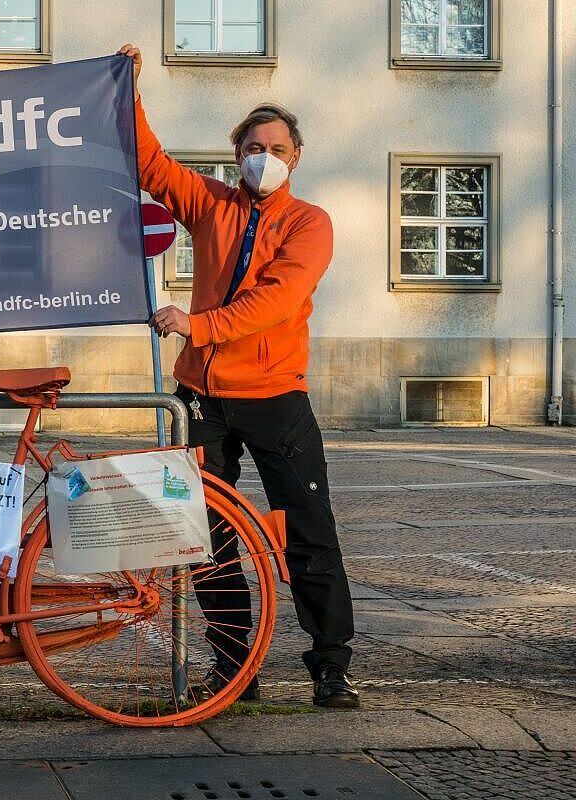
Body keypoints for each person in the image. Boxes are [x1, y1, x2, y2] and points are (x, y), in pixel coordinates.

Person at [118, 44, 360, 709]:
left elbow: (279, 300)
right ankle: (235, 667)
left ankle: (331, 667)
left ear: (296, 157)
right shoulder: (210, 204)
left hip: (277, 398)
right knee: (205, 538)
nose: (266, 157)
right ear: (236, 155)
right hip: (202, 400)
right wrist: (128, 91)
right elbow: (149, 166)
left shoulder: (310, 223)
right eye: (254, 146)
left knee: (309, 532)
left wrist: (199, 326)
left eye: (278, 147)